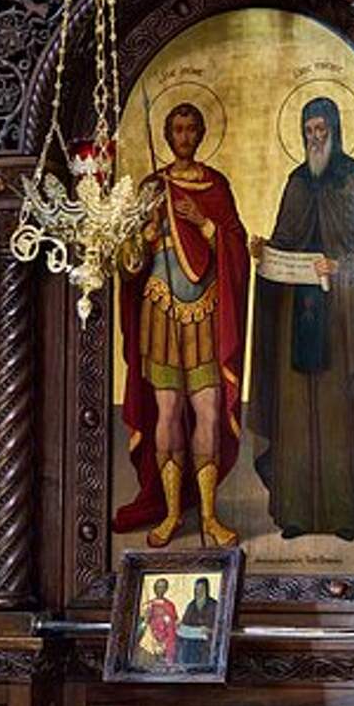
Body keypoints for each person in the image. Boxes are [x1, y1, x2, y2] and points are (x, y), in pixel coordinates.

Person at [249, 96, 354, 540]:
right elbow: (285, 242)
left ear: (336, 129)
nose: (315, 137)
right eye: (309, 130)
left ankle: (343, 513)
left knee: (338, 410)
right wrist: (264, 253)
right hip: (296, 314)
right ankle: (295, 512)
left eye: (322, 128)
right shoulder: (295, 182)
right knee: (295, 413)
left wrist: (341, 266)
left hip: (342, 317)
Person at [113, 102, 249, 547]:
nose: (185, 136)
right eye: (178, 129)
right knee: (168, 411)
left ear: (202, 133)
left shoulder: (216, 185)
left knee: (208, 410)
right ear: (168, 136)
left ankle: (208, 515)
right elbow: (129, 265)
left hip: (205, 312)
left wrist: (203, 222)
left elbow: (236, 246)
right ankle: (172, 513)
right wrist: (147, 234)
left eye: (191, 128)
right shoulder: (152, 188)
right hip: (159, 311)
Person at [135, 577, 178, 667]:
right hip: (149, 639)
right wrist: (146, 619)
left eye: (162, 587)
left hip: (164, 638)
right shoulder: (148, 604)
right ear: (154, 588)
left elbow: (172, 626)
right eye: (158, 587)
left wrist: (165, 643)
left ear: (166, 589)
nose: (160, 590)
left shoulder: (169, 605)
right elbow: (141, 624)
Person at [176, 577, 218, 666]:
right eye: (197, 589)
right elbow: (185, 622)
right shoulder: (191, 605)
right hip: (191, 640)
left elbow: (221, 625)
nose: (198, 592)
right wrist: (180, 625)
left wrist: (210, 630)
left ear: (206, 590)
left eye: (201, 589)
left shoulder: (214, 605)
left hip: (207, 641)